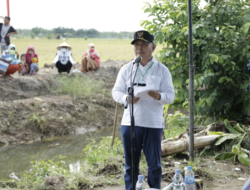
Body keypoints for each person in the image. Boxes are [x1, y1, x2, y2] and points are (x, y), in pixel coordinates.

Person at [112, 30, 175, 190]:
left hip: (153, 124)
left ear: (153, 47)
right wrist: (127, 98)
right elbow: (116, 92)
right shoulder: (127, 69)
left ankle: (154, 188)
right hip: (129, 123)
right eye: (137, 45)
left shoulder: (162, 70)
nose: (139, 48)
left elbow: (171, 96)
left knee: (154, 165)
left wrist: (159, 96)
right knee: (130, 165)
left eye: (143, 45)